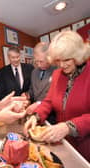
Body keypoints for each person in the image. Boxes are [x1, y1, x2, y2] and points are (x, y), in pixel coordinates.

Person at [24, 31, 90, 161]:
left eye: (66, 59)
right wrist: (35, 117)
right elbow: (48, 101)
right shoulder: (57, 74)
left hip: (86, 145)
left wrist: (68, 127)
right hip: (62, 142)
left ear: (78, 55)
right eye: (58, 60)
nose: (61, 65)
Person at [26, 42, 57, 124]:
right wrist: (27, 96)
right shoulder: (34, 72)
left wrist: (38, 103)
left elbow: (56, 96)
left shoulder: (58, 70)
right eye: (36, 62)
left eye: (41, 61)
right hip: (35, 115)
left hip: (52, 117)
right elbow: (32, 90)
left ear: (49, 57)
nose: (39, 65)